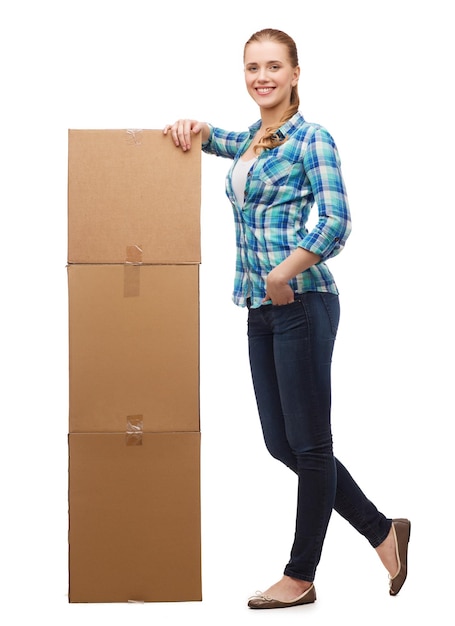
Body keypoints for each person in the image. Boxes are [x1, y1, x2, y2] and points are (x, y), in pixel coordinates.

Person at [164, 27, 410, 610]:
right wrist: (189, 127)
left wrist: (284, 274)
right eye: (252, 68)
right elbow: (215, 139)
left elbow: (336, 221)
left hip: (303, 301)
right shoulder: (256, 140)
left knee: (311, 443)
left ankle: (300, 576)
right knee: (282, 443)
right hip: (258, 305)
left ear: (296, 73)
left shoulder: (312, 139)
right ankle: (383, 531)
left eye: (274, 66)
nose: (262, 77)